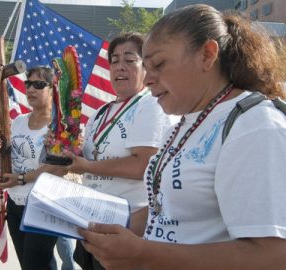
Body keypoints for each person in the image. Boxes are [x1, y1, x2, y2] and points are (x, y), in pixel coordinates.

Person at [79, 4, 286, 269]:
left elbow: (273, 256)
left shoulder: (255, 126)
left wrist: (143, 254)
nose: (149, 78)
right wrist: (110, 225)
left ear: (207, 55)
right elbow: (164, 212)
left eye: (158, 64)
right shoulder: (187, 120)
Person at [65, 32, 177, 270]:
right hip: (93, 222)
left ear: (145, 66)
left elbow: (143, 165)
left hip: (128, 227)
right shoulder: (101, 112)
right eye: (114, 60)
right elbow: (88, 156)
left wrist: (86, 166)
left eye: (129, 59)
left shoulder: (150, 105)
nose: (120, 67)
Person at [0, 66, 67, 270]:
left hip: (43, 205)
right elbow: (10, 156)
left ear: (53, 89)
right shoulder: (17, 122)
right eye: (28, 83)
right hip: (16, 204)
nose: (31, 89)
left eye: (39, 84)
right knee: (28, 264)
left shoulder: (60, 126)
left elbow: (59, 168)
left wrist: (22, 178)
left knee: (35, 265)